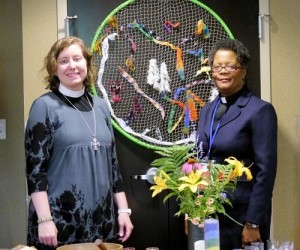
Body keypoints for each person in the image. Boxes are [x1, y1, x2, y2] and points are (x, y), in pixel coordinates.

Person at [25, 36, 133, 250]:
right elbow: (35, 171)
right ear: (54, 69)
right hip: (58, 223)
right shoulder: (44, 106)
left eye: (77, 58)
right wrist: (45, 220)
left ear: (87, 64)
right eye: (64, 61)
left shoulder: (101, 107)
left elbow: (113, 164)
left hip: (102, 221)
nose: (72, 66)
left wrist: (123, 210)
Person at [196, 38, 277, 250]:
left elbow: (265, 172)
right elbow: (199, 160)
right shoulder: (206, 110)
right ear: (211, 72)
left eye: (230, 66)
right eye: (217, 66)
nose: (223, 71)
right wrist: (193, 212)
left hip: (241, 219)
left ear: (243, 71)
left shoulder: (260, 111)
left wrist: (253, 222)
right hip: (207, 215)